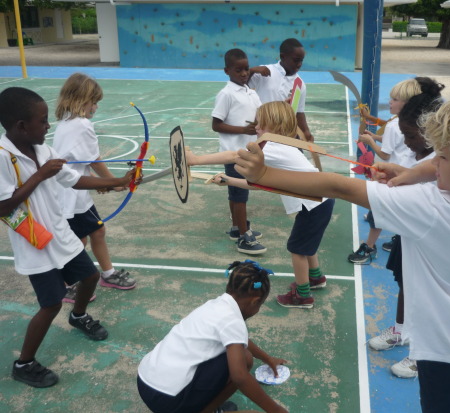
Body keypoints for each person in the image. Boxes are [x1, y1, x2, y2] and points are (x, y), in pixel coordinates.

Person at [235, 91, 450, 413]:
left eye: (444, 156)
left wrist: (263, 175)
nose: (436, 161)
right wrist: (410, 173)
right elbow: (436, 167)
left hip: (449, 346)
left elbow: (339, 186)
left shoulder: (431, 209)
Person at [0, 87, 136, 388]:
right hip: (35, 244)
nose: (48, 126)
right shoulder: (2, 157)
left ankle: (78, 316)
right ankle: (24, 363)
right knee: (50, 305)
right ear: (22, 126)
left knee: (88, 278)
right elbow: (3, 206)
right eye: (43, 121)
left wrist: (116, 181)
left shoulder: (44, 152)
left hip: (60, 235)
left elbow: (73, 180)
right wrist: (39, 175)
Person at [187, 101, 335, 309]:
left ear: (274, 125)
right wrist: (228, 180)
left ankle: (303, 296)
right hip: (319, 202)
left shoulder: (273, 147)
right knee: (306, 244)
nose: (256, 127)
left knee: (297, 249)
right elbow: (260, 185)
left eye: (261, 124)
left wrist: (194, 160)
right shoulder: (284, 147)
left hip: (315, 204)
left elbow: (233, 155)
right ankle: (316, 278)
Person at [366, 80, 444, 380]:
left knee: (427, 295)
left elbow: (337, 187)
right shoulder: (424, 160)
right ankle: (401, 331)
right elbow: (411, 171)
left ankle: (423, 354)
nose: (407, 142)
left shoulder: (443, 167)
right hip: (410, 233)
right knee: (405, 282)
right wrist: (399, 176)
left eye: (410, 135)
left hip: (432, 242)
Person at [137, 260, 288, 413]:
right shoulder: (232, 320)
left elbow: (240, 339)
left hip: (146, 382)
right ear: (255, 301)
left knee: (241, 355)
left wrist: (267, 358)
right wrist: (276, 410)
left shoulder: (215, 305)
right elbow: (239, 377)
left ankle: (204, 407)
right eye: (260, 305)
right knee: (244, 360)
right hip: (167, 401)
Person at [53, 73, 136, 301]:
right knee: (77, 240)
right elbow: (93, 160)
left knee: (96, 231)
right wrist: (115, 183)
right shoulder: (81, 125)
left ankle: (107, 274)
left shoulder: (67, 122)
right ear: (81, 100)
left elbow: (81, 161)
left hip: (76, 194)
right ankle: (67, 284)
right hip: (70, 195)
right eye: (94, 101)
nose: (96, 107)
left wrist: (106, 184)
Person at [348, 77, 427, 264]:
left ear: (407, 104)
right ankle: (398, 239)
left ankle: (369, 247)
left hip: (390, 176)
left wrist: (369, 142)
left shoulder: (393, 125)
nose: (389, 101)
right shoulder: (411, 122)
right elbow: (396, 142)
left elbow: (384, 155)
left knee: (378, 208)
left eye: (395, 99)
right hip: (408, 174)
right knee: (403, 210)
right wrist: (375, 135)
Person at [212, 49, 266, 255]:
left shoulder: (251, 91)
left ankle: (237, 227)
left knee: (236, 193)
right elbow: (216, 125)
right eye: (238, 70)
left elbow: (261, 114)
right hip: (233, 153)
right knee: (240, 193)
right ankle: (245, 237)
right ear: (227, 71)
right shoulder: (226, 94)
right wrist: (243, 130)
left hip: (248, 152)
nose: (244, 73)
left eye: (246, 69)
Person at [248, 38, 314, 143]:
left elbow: (298, 112)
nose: (299, 64)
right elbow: (241, 85)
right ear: (283, 56)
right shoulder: (264, 71)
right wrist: (252, 71)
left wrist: (306, 132)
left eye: (301, 60)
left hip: (282, 135)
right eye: (296, 60)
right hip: (261, 131)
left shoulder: (299, 84)